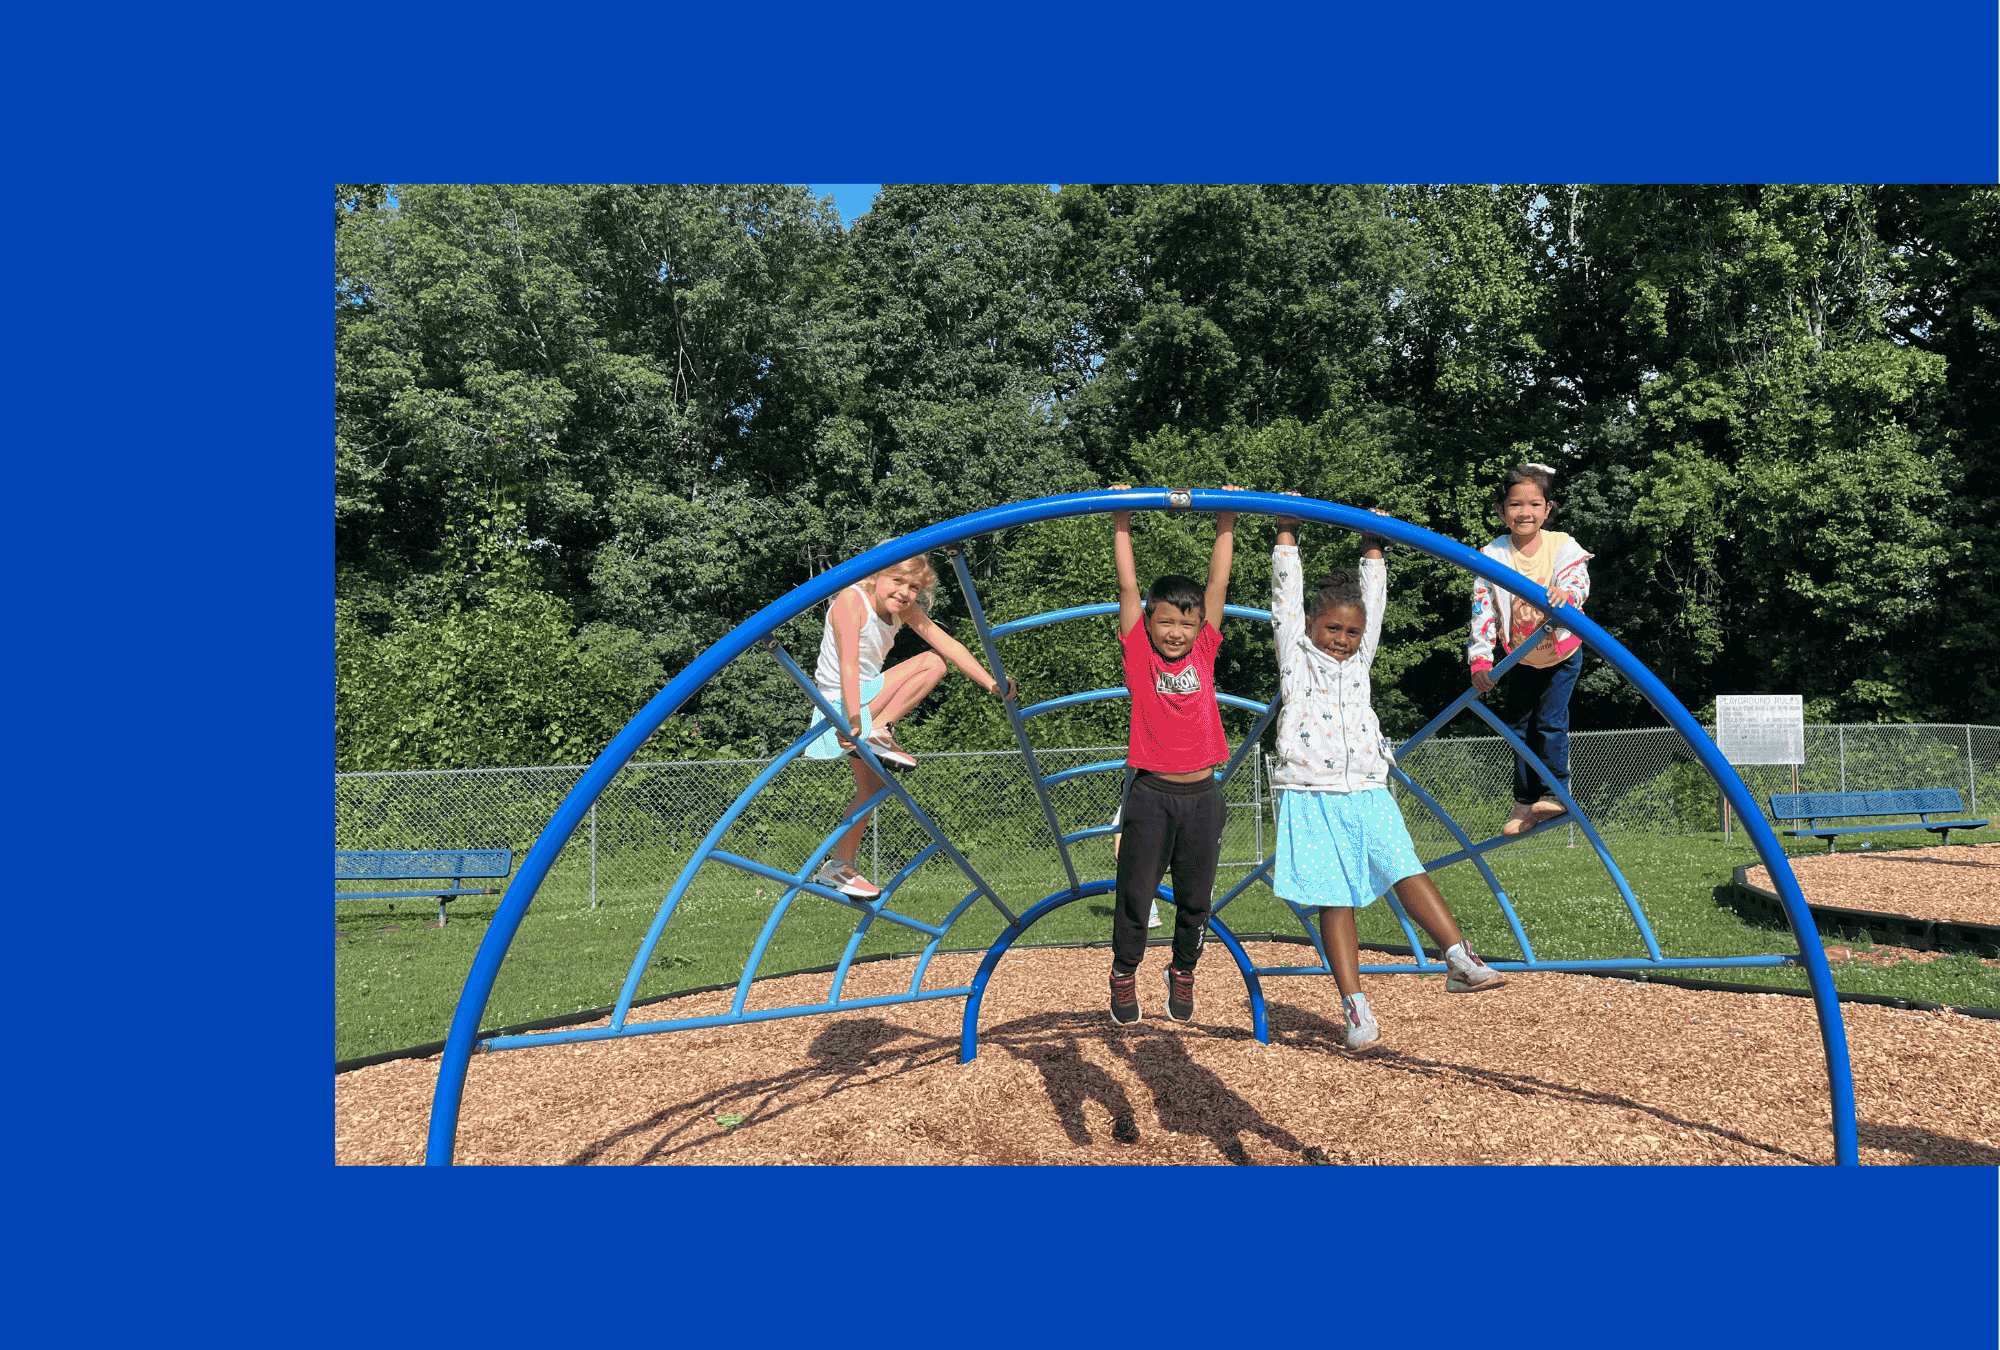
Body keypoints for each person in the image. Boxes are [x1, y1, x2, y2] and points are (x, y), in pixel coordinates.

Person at [1271, 494, 1506, 1053]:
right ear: (1310, 625)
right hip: (1310, 790)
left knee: (1403, 864)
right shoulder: (1296, 658)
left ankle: (1458, 957)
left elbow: (1373, 606)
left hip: (1368, 786)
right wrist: (1285, 530)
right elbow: (1284, 598)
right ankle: (1355, 1009)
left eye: (1352, 633)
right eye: (1333, 628)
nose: (1343, 640)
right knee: (1334, 898)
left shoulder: (1360, 662)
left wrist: (1374, 543)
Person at [1105, 484, 1242, 1024]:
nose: (1177, 632)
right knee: (1136, 894)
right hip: (1152, 794)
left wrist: (1227, 519)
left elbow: (1217, 584)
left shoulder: (1204, 649)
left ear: (1199, 627)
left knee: (1196, 898)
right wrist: (1121, 518)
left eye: (1186, 623)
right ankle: (1124, 972)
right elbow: (1128, 585)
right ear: (1148, 622)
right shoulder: (1140, 655)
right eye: (1166, 622)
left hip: (1204, 795)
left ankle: (1183, 969)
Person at [804, 550, 1014, 899]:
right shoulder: (851, 601)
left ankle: (838, 866)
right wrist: (852, 721)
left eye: (914, 587)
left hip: (862, 706)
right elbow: (848, 667)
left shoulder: (903, 610)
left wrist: (992, 683)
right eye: (897, 581)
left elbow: (949, 643)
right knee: (931, 663)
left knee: (871, 790)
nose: (904, 593)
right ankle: (879, 729)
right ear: (875, 575)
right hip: (842, 707)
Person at [1468, 462, 1594, 836]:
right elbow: (1483, 609)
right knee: (1517, 728)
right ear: (1500, 511)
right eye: (1515, 505)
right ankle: (1525, 803)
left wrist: (1566, 593)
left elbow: (1578, 581)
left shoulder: (1561, 545)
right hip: (1519, 657)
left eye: (1535, 504)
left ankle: (1556, 795)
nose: (1525, 513)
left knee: (1550, 722)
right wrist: (1480, 659)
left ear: (1547, 509)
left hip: (1561, 653)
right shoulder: (1493, 555)